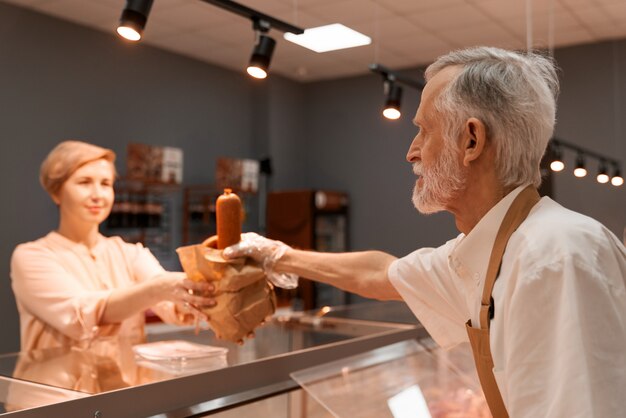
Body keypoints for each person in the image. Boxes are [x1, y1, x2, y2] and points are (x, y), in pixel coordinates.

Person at [224, 47, 626, 417]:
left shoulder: (554, 256)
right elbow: (380, 274)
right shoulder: (490, 251)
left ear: (471, 140)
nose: (411, 151)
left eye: (424, 130)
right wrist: (272, 253)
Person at [11, 140, 215, 352]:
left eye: (106, 184)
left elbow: (171, 304)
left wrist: (203, 297)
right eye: (84, 182)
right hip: (57, 385)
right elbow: (81, 314)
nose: (97, 195)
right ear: (56, 193)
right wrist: (160, 289)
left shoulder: (129, 253)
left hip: (128, 384)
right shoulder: (32, 256)